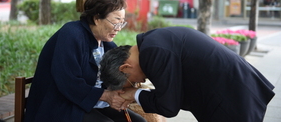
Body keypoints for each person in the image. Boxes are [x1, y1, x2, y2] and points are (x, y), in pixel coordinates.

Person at [100, 26, 275, 122]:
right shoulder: (151, 42)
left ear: (125, 68)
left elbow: (169, 106)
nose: (140, 82)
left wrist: (134, 93)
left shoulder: (154, 52)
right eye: (135, 85)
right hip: (233, 92)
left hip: (233, 96)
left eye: (131, 83)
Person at [24, 0, 146, 122]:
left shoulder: (107, 44)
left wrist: (124, 92)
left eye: (121, 23)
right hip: (61, 105)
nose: (118, 28)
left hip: (90, 103)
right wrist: (106, 95)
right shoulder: (71, 34)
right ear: (97, 18)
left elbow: (118, 72)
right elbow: (67, 81)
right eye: (115, 22)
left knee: (139, 121)